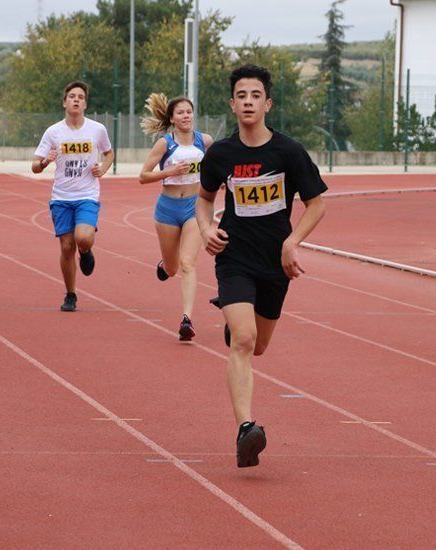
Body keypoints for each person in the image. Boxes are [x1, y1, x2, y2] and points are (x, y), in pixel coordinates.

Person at [196, 65, 327, 468]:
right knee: (245, 341)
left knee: (260, 345)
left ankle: (237, 326)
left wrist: (292, 241)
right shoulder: (221, 154)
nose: (248, 101)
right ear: (233, 104)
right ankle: (245, 430)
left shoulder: (288, 152)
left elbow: (317, 203)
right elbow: (203, 200)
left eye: (256, 95)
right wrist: (205, 230)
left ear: (267, 103)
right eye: (241, 95)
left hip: (274, 264)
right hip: (233, 258)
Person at [32, 81, 114, 312]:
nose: (76, 100)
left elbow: (108, 153)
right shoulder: (54, 132)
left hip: (87, 194)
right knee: (67, 247)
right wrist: (46, 160)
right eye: (71, 96)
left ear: (85, 103)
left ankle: (86, 251)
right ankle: (70, 294)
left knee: (83, 238)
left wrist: (103, 168)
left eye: (80, 97)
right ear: (64, 102)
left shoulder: (97, 129)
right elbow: (35, 167)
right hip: (61, 197)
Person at [139, 93, 214, 341]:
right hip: (168, 209)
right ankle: (164, 265)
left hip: (195, 207)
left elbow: (216, 168)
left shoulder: (205, 141)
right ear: (172, 118)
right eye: (180, 112)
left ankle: (186, 319)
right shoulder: (165, 144)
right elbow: (143, 175)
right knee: (172, 268)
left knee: (188, 263)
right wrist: (171, 171)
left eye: (189, 112)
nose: (185, 116)